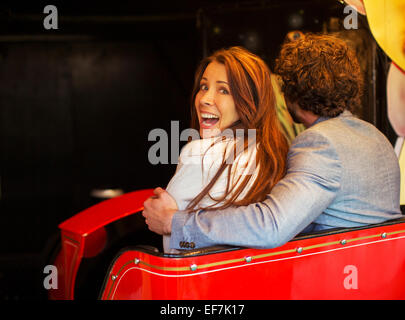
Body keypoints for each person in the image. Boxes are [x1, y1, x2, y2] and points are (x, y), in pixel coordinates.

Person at [143, 33, 402, 251]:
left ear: (289, 92)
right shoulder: (375, 137)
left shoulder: (319, 143)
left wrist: (174, 222)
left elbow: (271, 226)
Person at [160, 46, 289, 252]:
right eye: (203, 87)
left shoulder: (198, 152)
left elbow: (172, 244)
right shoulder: (272, 154)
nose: (204, 99)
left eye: (223, 90)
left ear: (249, 100)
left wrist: (161, 212)